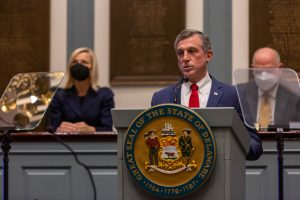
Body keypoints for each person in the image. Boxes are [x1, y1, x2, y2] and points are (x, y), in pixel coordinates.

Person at [151, 29, 263, 160]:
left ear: (208, 55)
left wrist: (230, 145)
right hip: (176, 173)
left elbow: (255, 146)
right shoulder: (161, 97)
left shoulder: (232, 94)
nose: (185, 58)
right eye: (180, 53)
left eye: (192, 51)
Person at [48, 47, 114, 132]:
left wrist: (92, 130)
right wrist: (59, 129)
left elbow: (108, 128)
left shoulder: (104, 95)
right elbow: (51, 128)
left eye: (84, 62)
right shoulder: (59, 95)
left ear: (92, 67)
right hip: (65, 142)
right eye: (75, 62)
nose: (78, 65)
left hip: (95, 143)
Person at [237, 47, 300, 128]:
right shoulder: (240, 92)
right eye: (259, 70)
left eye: (269, 69)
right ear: (252, 68)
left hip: (281, 139)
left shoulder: (295, 94)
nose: (264, 75)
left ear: (280, 68)